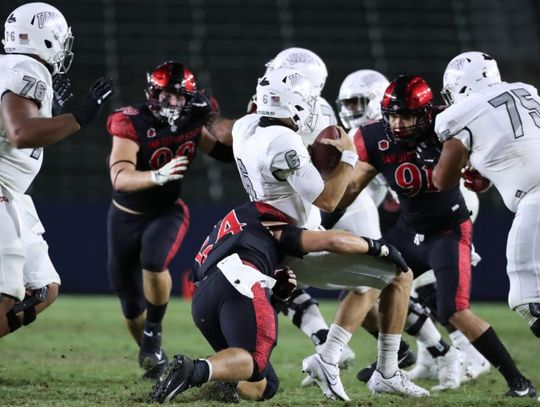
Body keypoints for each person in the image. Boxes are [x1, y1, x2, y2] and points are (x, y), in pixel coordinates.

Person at [232, 67, 429, 400]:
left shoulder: (244, 127)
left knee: (365, 283)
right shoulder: (283, 141)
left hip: (269, 240)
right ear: (291, 104)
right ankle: (386, 372)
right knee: (399, 275)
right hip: (300, 247)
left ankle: (329, 356)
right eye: (305, 102)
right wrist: (350, 155)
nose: (311, 108)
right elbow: (329, 198)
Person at [342, 73, 535, 397]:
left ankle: (519, 382)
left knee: (452, 309)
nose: (399, 124)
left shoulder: (447, 126)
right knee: (367, 282)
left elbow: (477, 172)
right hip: (409, 230)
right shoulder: (374, 136)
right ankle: (377, 363)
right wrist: (322, 216)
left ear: (425, 113)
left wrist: (474, 173)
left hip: (448, 230)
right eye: (393, 116)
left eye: (407, 115)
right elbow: (349, 189)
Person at [150, 200, 410, 404]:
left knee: (264, 384)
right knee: (255, 359)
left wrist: (279, 295)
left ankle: (222, 379)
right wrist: (378, 248)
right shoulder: (270, 216)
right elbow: (332, 240)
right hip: (240, 281)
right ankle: (194, 370)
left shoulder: (236, 217)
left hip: (204, 298)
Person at [105, 60, 234, 379]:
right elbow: (120, 177)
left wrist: (216, 119)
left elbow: (225, 151)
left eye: (178, 97)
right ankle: (152, 352)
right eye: (164, 96)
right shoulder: (131, 121)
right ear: (152, 94)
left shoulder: (193, 119)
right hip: (125, 215)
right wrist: (155, 175)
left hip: (166, 211)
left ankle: (153, 331)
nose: (171, 103)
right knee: (130, 302)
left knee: (153, 259)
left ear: (189, 99)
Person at [0, 2, 114, 337]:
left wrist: (52, 113)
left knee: (43, 289)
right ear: (46, 38)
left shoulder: (15, 66)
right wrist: (80, 115)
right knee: (8, 290)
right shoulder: (25, 68)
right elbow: (21, 134)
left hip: (12, 193)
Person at [433, 51, 540, 346]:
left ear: (461, 85)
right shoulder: (525, 90)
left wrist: (463, 165)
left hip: (537, 196)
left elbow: (442, 180)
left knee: (528, 300)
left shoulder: (457, 114)